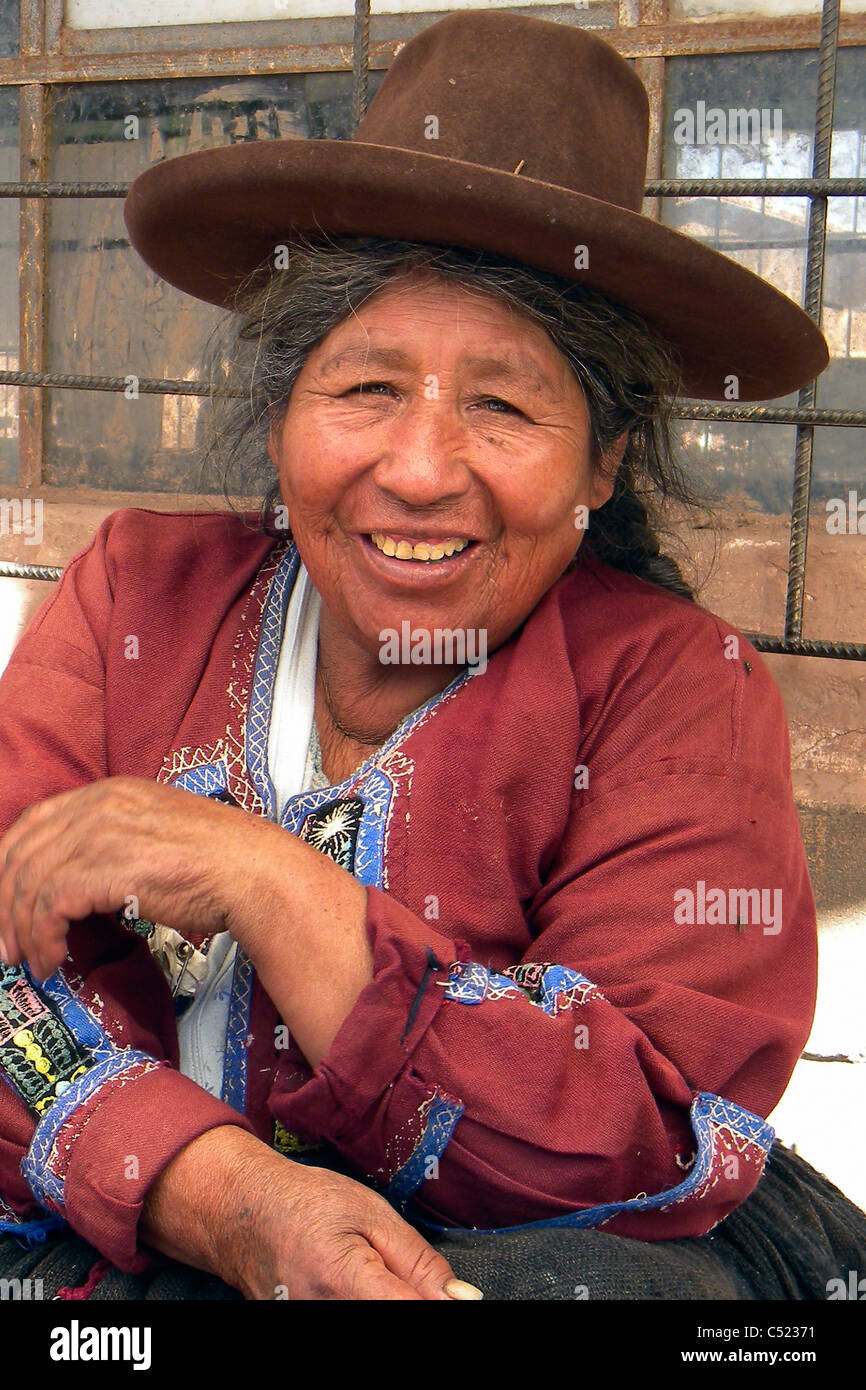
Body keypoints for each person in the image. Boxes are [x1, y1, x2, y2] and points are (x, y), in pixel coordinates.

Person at [0, 9, 864, 1302]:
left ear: (605, 456)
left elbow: (630, 1121)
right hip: (133, 1244)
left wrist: (273, 885)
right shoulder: (136, 590)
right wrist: (221, 1196)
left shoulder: (677, 688)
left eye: (504, 405)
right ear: (284, 410)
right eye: (363, 389)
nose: (416, 471)